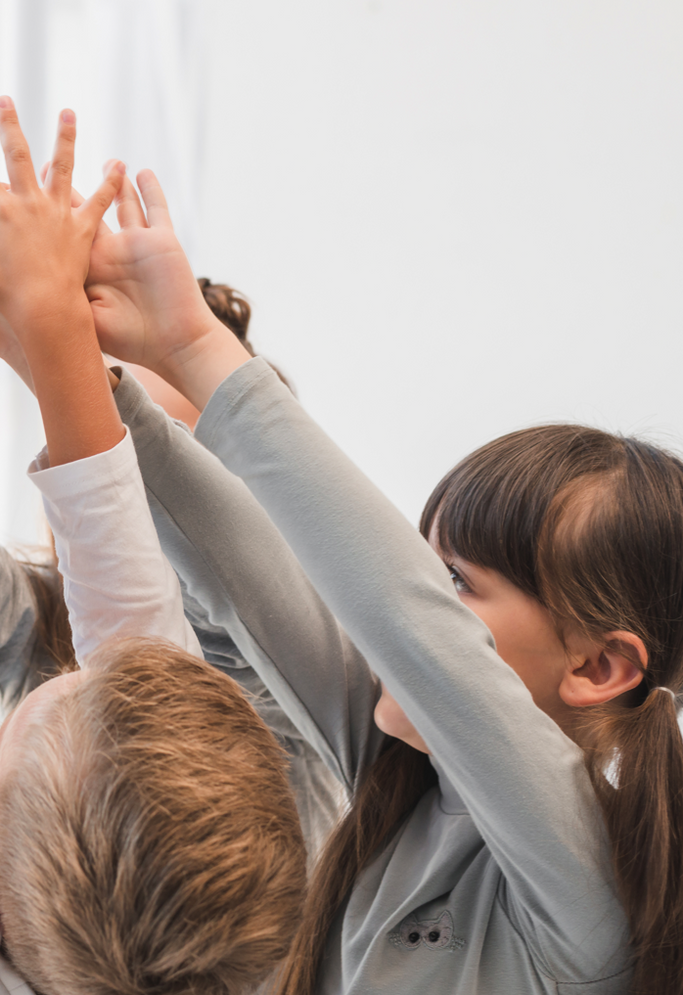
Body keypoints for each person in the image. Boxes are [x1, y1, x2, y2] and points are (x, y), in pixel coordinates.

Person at [59, 168, 681, 992]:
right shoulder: (400, 780)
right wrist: (65, 351)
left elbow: (406, 622)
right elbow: (247, 568)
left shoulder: (587, 880)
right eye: (425, 568)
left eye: (455, 582)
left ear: (597, 667)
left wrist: (195, 345)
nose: (413, 600)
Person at [0, 139, 347, 855]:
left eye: (170, 461)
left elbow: (172, 650)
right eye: (99, 441)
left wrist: (58, 347)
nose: (128, 495)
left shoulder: (301, 682)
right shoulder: (41, 649)